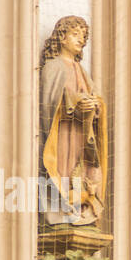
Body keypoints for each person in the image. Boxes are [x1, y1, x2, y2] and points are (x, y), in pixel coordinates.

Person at [39, 15, 106, 228]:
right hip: (63, 135)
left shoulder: (82, 71)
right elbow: (48, 103)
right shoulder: (53, 66)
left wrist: (94, 105)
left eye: (84, 36)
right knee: (64, 169)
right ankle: (61, 212)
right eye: (75, 34)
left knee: (81, 172)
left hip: (81, 135)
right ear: (62, 36)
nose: (81, 40)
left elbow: (96, 99)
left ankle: (81, 208)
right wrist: (74, 103)